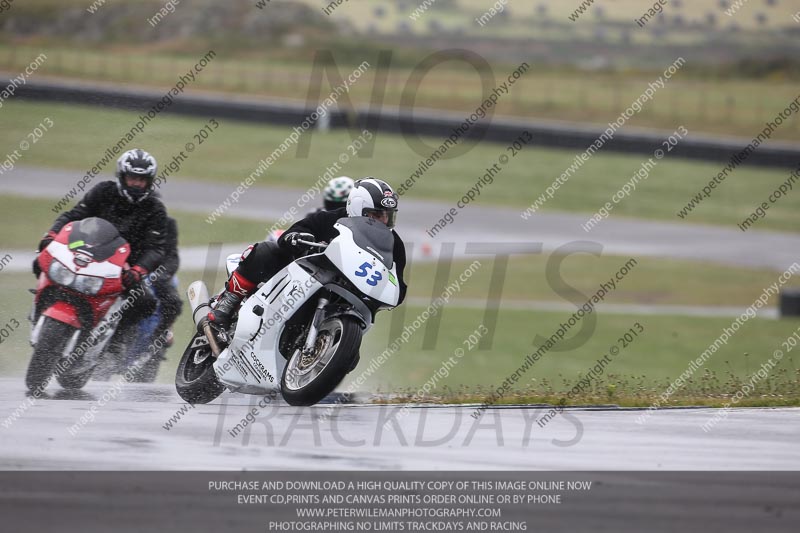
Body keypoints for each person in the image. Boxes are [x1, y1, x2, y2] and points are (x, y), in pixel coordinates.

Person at [201, 178, 407, 332]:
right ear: (357, 208)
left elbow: (398, 284)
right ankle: (228, 303)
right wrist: (295, 238)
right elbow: (292, 233)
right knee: (266, 251)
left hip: (346, 299)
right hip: (304, 277)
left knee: (352, 357)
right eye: (376, 214)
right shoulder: (329, 219)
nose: (383, 221)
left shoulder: (394, 245)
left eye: (387, 216)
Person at [36, 149, 169, 338]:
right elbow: (73, 216)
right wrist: (52, 235)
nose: (137, 184)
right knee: (40, 261)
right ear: (122, 176)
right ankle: (41, 306)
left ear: (150, 181)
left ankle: (116, 345)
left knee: (145, 302)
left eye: (142, 180)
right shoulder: (103, 191)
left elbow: (157, 249)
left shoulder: (155, 209)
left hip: (123, 270)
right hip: (86, 253)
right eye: (132, 178)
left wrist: (137, 271)